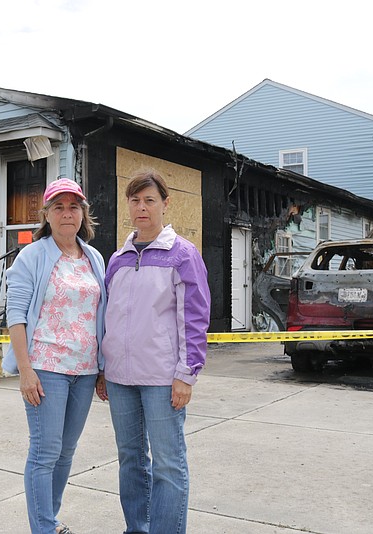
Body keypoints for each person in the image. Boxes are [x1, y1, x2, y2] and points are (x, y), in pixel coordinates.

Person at [97, 170, 211, 534]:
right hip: (119, 379)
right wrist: (103, 367)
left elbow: (195, 317)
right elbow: (107, 318)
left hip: (164, 379)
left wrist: (187, 374)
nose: (141, 207)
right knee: (130, 460)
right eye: (135, 200)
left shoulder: (183, 255)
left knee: (168, 464)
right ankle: (137, 528)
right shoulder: (117, 258)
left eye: (149, 200)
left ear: (165, 203)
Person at [3, 178, 107, 534]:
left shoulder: (94, 257)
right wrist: (25, 371)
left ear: (83, 214)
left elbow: (101, 314)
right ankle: (45, 528)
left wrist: (102, 368)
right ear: (46, 214)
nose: (67, 213)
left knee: (66, 453)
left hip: (85, 369)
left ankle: (49, 518)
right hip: (46, 367)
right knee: (46, 451)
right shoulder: (32, 255)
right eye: (59, 207)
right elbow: (16, 315)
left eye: (74, 206)